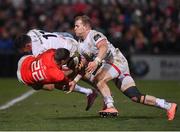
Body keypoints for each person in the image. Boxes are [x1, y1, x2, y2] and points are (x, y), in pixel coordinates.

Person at [69, 15, 177, 120]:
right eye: (75, 26)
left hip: (116, 61)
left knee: (99, 79)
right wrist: (75, 80)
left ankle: (110, 106)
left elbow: (104, 47)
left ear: (86, 27)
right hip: (112, 65)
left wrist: (96, 61)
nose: (75, 28)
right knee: (135, 96)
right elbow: (83, 66)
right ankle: (168, 106)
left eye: (77, 26)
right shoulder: (80, 45)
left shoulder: (94, 35)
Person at [14, 29, 97, 111]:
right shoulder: (32, 32)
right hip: (66, 39)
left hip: (69, 51)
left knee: (54, 82)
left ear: (27, 45)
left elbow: (52, 84)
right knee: (74, 73)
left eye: (22, 49)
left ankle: (93, 92)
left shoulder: (38, 51)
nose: (22, 52)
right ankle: (95, 91)